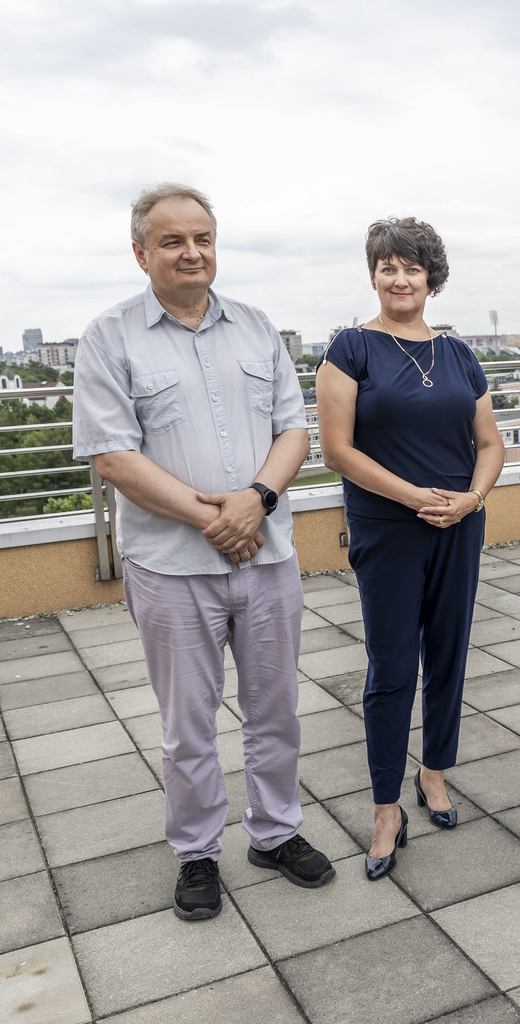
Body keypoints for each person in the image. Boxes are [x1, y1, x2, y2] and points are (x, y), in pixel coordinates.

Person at [72, 182, 335, 920]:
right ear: (141, 253)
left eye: (203, 239)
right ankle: (196, 852)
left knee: (275, 709)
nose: (192, 253)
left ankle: (275, 832)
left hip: (267, 555)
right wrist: (215, 519)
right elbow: (112, 456)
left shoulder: (257, 327)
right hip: (171, 567)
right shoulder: (108, 337)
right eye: (173, 241)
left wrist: (257, 501)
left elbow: (294, 430)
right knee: (187, 724)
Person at [315, 217, 504, 881]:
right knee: (392, 668)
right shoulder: (350, 349)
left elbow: (491, 444)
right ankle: (385, 807)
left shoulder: (458, 355)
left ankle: (435, 772)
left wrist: (472, 499)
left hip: (459, 525)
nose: (400, 279)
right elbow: (337, 450)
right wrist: (415, 496)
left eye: (412, 268)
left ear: (432, 278)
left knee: (449, 656)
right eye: (388, 267)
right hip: (388, 528)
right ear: (373, 275)